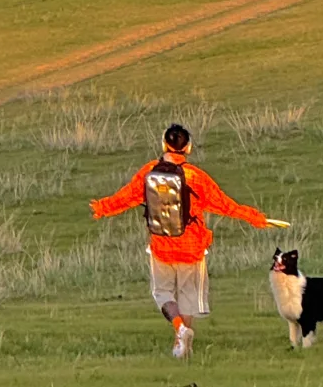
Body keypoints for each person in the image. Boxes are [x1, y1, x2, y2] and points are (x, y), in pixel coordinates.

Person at [89, 122, 278, 359]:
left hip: (161, 245)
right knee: (188, 296)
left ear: (164, 144)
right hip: (192, 247)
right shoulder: (196, 177)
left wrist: (101, 208)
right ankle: (184, 343)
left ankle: (179, 330)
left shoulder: (149, 172)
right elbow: (225, 205)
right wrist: (255, 218)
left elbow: (125, 197)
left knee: (163, 294)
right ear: (188, 147)